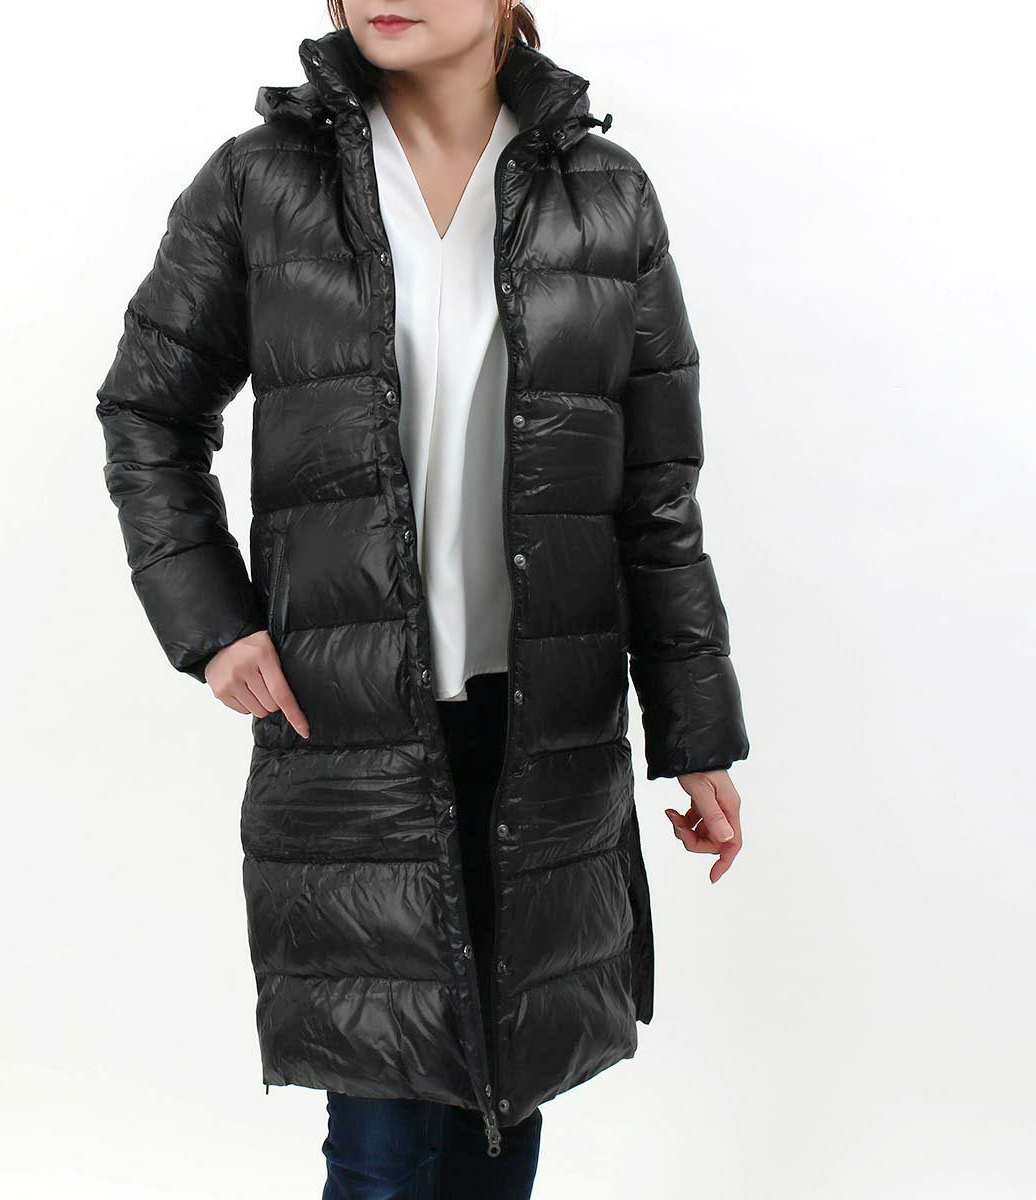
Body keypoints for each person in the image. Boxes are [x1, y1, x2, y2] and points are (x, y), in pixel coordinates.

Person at [96, 2, 749, 1197]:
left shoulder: (606, 196)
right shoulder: (262, 183)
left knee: (504, 1115)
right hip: (349, 727)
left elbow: (655, 493)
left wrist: (695, 735)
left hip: (543, 730)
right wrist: (215, 622)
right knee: (386, 1147)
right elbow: (147, 409)